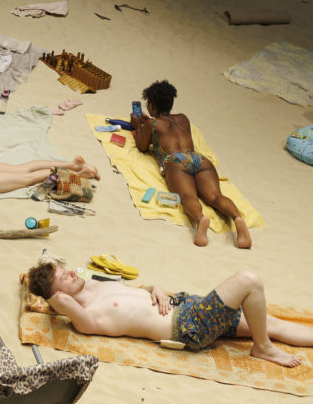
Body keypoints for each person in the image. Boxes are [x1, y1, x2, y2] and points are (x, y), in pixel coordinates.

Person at [27, 260, 309, 369]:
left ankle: (265, 339)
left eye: (66, 270)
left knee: (271, 323)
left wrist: (156, 288)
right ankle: (262, 348)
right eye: (63, 276)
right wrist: (45, 295)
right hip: (189, 324)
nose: (72, 273)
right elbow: (55, 300)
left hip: (188, 305)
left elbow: (139, 290)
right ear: (57, 297)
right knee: (248, 280)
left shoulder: (92, 284)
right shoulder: (86, 317)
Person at [131, 79, 251, 248]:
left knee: (188, 197)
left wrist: (138, 126)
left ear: (151, 106)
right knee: (216, 197)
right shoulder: (183, 118)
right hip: (199, 159)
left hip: (176, 161)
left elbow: (142, 147)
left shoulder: (152, 123)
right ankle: (238, 219)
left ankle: (201, 219)